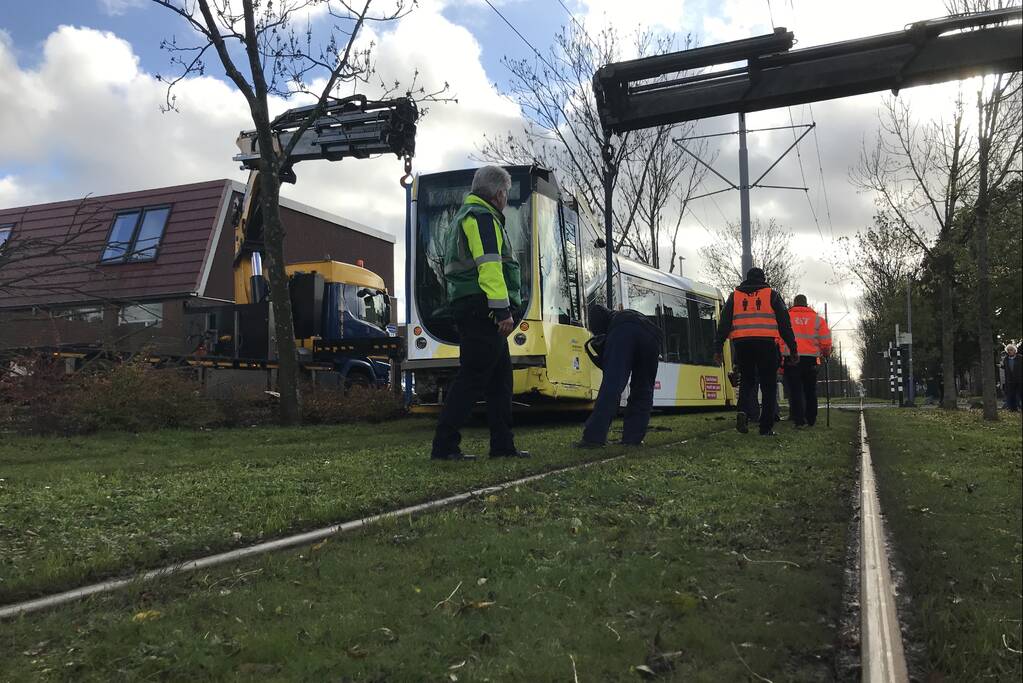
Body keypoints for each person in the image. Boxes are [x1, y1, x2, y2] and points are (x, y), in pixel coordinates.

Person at [430, 166, 529, 461]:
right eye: (506, 193)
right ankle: (445, 446)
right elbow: (489, 267)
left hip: (472, 306)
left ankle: (503, 446)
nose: (505, 198)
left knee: (500, 381)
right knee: (472, 378)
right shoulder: (482, 218)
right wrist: (502, 311)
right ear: (498, 194)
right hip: (482, 308)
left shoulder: (466, 216)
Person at [714, 267, 797, 436]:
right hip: (766, 343)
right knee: (768, 384)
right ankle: (765, 427)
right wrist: (793, 348)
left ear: (746, 278)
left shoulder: (734, 296)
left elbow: (724, 324)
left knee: (747, 380)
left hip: (742, 343)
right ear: (763, 279)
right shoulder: (771, 295)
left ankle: (743, 411)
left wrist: (718, 348)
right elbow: (784, 323)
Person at [577, 303, 662, 447]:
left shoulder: (616, 326)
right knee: (643, 390)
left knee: (611, 386)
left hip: (624, 330)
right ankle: (633, 439)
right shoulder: (624, 316)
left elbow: (612, 378)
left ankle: (593, 438)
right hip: (653, 336)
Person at [784, 294, 832, 427]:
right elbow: (825, 342)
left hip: (791, 357)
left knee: (795, 390)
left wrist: (782, 355)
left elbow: (779, 338)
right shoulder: (818, 320)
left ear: (794, 303)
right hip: (811, 359)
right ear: (806, 304)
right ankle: (811, 419)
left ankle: (798, 420)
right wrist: (825, 354)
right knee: (810, 390)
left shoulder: (786, 317)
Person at [1002, 344, 1022, 412]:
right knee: (1011, 395)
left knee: (1019, 394)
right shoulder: (1006, 359)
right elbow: (1006, 367)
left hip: (1019, 380)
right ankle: (1013, 409)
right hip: (1010, 381)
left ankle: (1019, 407)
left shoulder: (1020, 358)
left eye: (1011, 350)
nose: (1009, 351)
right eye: (1008, 350)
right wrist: (1001, 366)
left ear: (1015, 351)